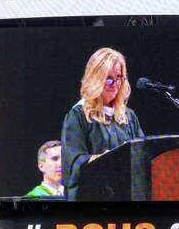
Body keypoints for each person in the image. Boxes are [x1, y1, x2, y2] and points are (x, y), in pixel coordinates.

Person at [60, 47, 144, 201]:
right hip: (92, 201)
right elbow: (73, 163)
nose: (115, 84)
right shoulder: (78, 115)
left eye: (119, 77)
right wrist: (104, 159)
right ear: (94, 78)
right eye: (108, 78)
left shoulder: (128, 117)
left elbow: (142, 154)